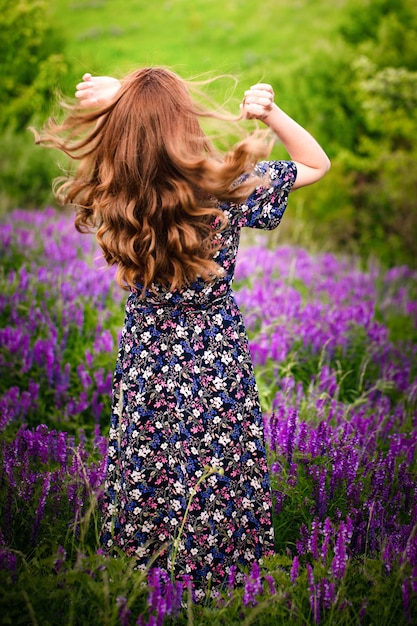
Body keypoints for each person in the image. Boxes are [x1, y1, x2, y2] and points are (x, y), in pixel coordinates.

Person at [37, 67, 330, 597]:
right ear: (185, 125)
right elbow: (316, 163)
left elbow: (139, 138)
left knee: (148, 457)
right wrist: (271, 114)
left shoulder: (117, 187)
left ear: (124, 131)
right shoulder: (224, 186)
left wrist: (123, 100)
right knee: (218, 461)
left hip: (147, 352)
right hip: (213, 351)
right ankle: (219, 580)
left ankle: (142, 576)